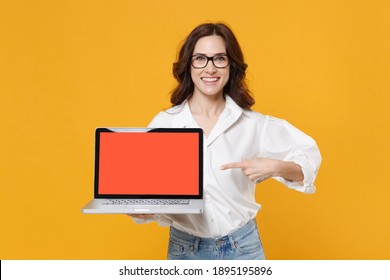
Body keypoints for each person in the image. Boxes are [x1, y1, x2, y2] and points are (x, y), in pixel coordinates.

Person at [131, 22, 321, 260]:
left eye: (219, 59)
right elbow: (146, 189)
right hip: (184, 250)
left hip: (243, 248)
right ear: (188, 65)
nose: (210, 69)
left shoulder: (253, 124)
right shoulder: (164, 123)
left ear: (231, 66)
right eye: (200, 58)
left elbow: (307, 163)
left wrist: (276, 167)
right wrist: (142, 210)